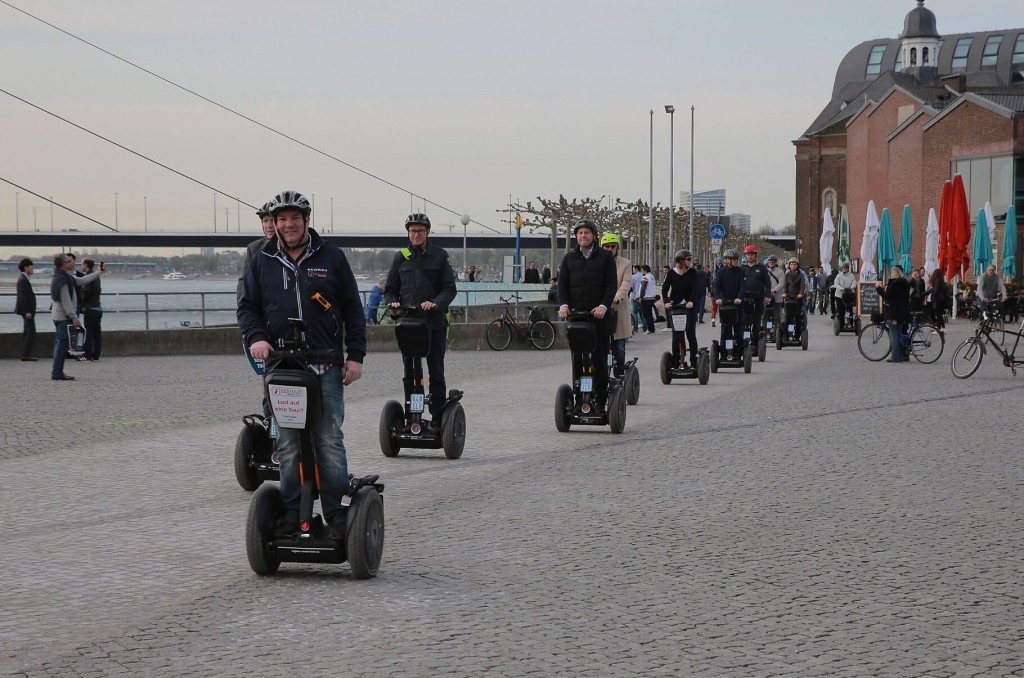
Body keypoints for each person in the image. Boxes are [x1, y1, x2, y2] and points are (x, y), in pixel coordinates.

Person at [237, 189, 366, 540]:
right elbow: (247, 307)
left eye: (295, 218)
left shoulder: (332, 258)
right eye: (282, 219)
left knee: (328, 440)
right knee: (289, 444)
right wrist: (257, 338)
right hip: (283, 367)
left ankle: (338, 517)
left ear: (307, 221)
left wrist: (355, 356)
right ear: (274, 224)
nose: (289, 225)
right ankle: (294, 515)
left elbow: (354, 309)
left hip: (325, 365)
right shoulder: (261, 261)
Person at [383, 213, 458, 428]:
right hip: (409, 325)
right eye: (413, 231)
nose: (416, 234)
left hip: (433, 324)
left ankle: (436, 416)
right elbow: (390, 289)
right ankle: (410, 416)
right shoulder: (401, 257)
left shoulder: (440, 256)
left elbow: (449, 289)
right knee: (410, 373)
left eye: (421, 231)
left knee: (436, 371)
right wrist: (393, 303)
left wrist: (435, 303)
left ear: (427, 233)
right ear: (408, 232)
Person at [556, 219, 616, 412]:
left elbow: (611, 285)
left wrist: (603, 306)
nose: (583, 236)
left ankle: (599, 399)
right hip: (577, 317)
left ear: (594, 236)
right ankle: (578, 396)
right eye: (580, 233)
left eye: (587, 233)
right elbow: (562, 285)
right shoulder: (569, 258)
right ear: (576, 237)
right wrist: (564, 305)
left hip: (598, 316)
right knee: (578, 358)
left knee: (598, 357)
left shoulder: (605, 257)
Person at [49, 253, 101, 380]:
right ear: (62, 264)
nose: (71, 263)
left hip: (59, 316)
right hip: (63, 317)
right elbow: (66, 301)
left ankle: (57, 371)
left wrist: (98, 273)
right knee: (62, 345)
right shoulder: (62, 280)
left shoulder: (64, 276)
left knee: (60, 343)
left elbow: (81, 281)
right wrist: (75, 318)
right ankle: (57, 372)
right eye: (67, 261)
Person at [600, 232, 633, 377]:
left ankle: (619, 375)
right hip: (600, 309)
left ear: (617, 248)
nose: (609, 249)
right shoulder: (596, 263)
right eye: (606, 246)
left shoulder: (625, 263)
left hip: (617, 308)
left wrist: (617, 297)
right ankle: (601, 376)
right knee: (600, 346)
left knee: (619, 347)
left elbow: (626, 283)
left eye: (612, 246)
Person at [662, 249, 700, 367]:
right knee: (676, 336)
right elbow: (664, 289)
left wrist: (691, 301)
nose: (690, 261)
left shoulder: (692, 272)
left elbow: (695, 289)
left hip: (689, 308)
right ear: (681, 261)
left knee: (690, 334)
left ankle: (694, 361)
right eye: (688, 259)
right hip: (676, 307)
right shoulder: (672, 273)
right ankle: (676, 361)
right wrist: (667, 302)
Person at [237, 201, 277, 301]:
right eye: (265, 221)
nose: (269, 226)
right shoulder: (254, 248)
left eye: (272, 220)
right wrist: (242, 308)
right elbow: (244, 281)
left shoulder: (293, 247)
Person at [712, 249, 747, 359]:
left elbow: (743, 287)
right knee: (725, 330)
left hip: (737, 305)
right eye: (732, 259)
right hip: (725, 305)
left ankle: (739, 351)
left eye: (736, 259)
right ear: (726, 260)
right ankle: (724, 352)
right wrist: (718, 298)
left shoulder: (740, 272)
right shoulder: (721, 272)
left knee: (738, 330)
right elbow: (716, 288)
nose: (735, 261)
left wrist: (739, 298)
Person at [875, 266, 911, 363]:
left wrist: (878, 288)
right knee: (899, 333)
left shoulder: (894, 284)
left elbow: (887, 296)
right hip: (902, 312)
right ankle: (901, 355)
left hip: (893, 312)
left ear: (894, 273)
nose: (890, 274)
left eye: (891, 272)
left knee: (893, 334)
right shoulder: (905, 283)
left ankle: (895, 357)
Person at [740, 244, 771, 344]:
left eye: (752, 254)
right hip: (744, 298)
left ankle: (755, 343)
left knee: (756, 321)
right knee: (743, 320)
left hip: (758, 298)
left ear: (755, 255)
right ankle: (742, 341)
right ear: (745, 255)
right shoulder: (742, 268)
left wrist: (767, 296)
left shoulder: (761, 268)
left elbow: (767, 282)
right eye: (748, 254)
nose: (750, 256)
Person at [78, 259, 103, 361]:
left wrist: (81, 304)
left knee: (89, 332)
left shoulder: (88, 277)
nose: (81, 266)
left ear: (86, 265)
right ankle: (96, 354)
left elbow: (86, 293)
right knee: (97, 333)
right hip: (98, 307)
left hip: (90, 308)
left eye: (81, 264)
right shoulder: (96, 277)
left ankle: (87, 355)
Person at [15, 258, 37, 361]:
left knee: (27, 331)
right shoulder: (23, 280)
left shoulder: (24, 278)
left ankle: (24, 354)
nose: (33, 269)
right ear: (26, 267)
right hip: (27, 311)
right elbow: (23, 297)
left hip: (26, 311)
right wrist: (27, 311)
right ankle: (26, 354)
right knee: (31, 332)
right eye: (31, 266)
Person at [783, 257, 809, 325]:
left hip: (797, 297)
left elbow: (802, 285)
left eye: (795, 264)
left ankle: (797, 332)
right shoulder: (786, 274)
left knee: (797, 315)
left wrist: (800, 293)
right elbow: (785, 285)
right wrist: (784, 293)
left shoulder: (801, 274)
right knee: (787, 315)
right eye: (791, 264)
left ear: (797, 265)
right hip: (788, 297)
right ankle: (786, 332)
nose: (793, 266)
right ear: (789, 265)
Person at [925, 268, 951, 334]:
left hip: (938, 300)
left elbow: (935, 290)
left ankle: (939, 328)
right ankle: (943, 328)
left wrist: (932, 299)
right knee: (939, 315)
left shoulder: (937, 280)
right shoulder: (941, 280)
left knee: (938, 315)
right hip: (941, 300)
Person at [639, 264, 658, 334]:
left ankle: (650, 329)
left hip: (646, 298)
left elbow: (643, 288)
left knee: (646, 315)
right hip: (651, 297)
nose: (641, 272)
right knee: (649, 314)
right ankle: (652, 329)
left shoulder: (645, 278)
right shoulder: (652, 277)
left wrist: (640, 297)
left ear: (645, 270)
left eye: (642, 271)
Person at [629, 264, 643, 333]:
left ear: (637, 269)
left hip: (634, 296)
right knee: (641, 313)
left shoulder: (633, 277)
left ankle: (635, 327)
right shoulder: (643, 276)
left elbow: (631, 287)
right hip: (641, 296)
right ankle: (645, 327)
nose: (633, 270)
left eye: (634, 269)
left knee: (634, 312)